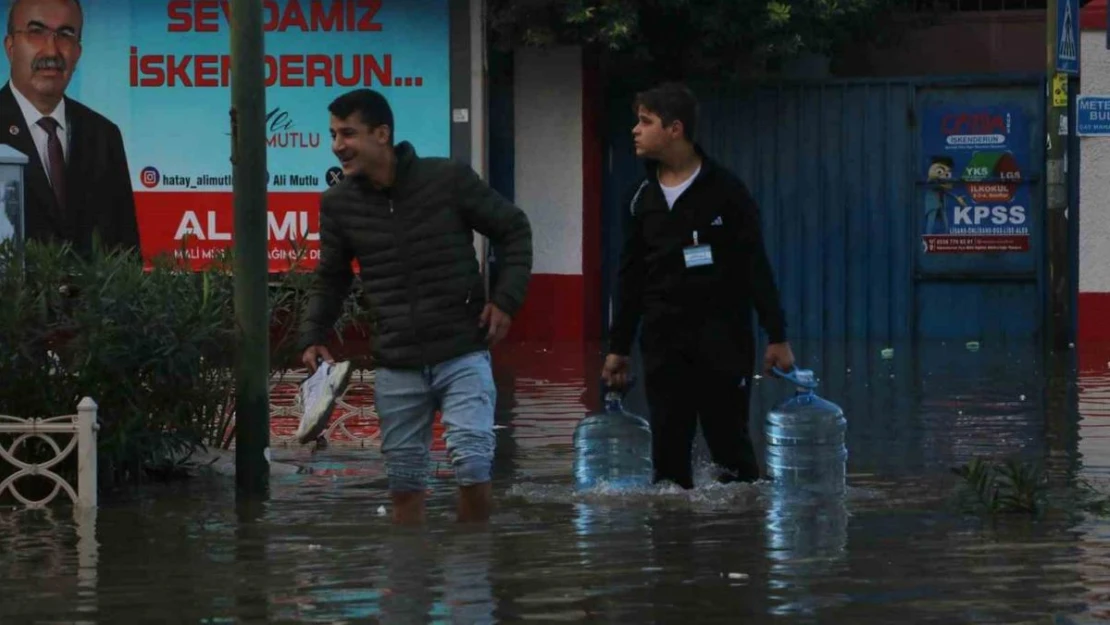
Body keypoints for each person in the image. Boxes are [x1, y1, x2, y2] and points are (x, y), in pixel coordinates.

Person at [298, 88, 533, 524]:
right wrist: (313, 335)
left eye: (347, 133)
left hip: (462, 351)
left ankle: (471, 575)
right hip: (397, 362)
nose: (337, 146)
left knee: (474, 469)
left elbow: (514, 229)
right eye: (332, 134)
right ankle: (409, 581)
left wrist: (506, 299)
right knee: (405, 484)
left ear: (381, 134)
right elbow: (331, 276)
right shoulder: (338, 204)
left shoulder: (446, 179)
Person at [601, 82, 795, 490]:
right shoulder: (639, 198)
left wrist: (777, 336)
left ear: (675, 129)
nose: (635, 130)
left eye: (645, 122)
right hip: (662, 344)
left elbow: (755, 265)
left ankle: (739, 545)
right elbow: (630, 277)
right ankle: (673, 547)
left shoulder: (727, 191)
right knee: (668, 463)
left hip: (723, 343)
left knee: (732, 454)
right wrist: (618, 347)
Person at [0, 0, 139, 257]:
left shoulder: (103, 135)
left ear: (78, 52)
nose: (51, 50)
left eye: (65, 35)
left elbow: (126, 256)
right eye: (36, 32)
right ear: (10, 47)